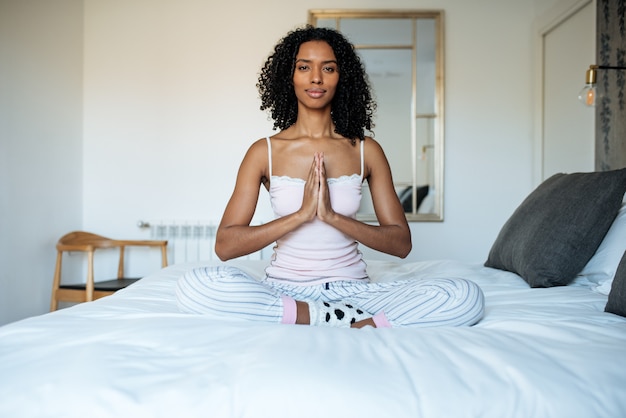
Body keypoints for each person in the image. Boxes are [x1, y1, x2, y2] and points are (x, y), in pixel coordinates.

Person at [176, 25, 484, 328]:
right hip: (285, 290)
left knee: (465, 295)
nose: (316, 78)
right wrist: (301, 215)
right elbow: (225, 246)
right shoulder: (263, 152)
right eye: (304, 67)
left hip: (354, 290)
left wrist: (333, 217)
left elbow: (401, 244)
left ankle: (344, 318)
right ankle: (337, 319)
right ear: (290, 76)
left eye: (329, 68)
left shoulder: (366, 150)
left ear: (342, 78)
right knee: (194, 285)